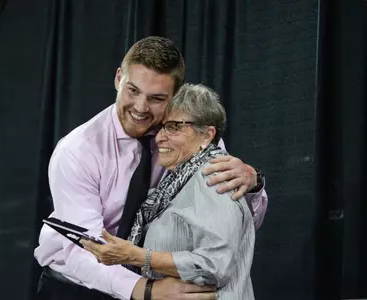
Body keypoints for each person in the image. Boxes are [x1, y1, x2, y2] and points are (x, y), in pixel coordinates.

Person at [34, 36, 267, 300]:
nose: (140, 108)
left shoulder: (193, 140)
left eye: (156, 98)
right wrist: (144, 289)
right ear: (118, 78)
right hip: (78, 287)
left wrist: (251, 184)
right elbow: (85, 249)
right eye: (132, 91)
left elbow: (231, 227)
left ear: (176, 95)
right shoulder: (77, 151)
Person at [82, 83, 255, 300]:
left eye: (174, 127)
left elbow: (214, 264)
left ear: (207, 135)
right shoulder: (177, 183)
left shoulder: (214, 177)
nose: (160, 137)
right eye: (162, 127)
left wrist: (136, 256)